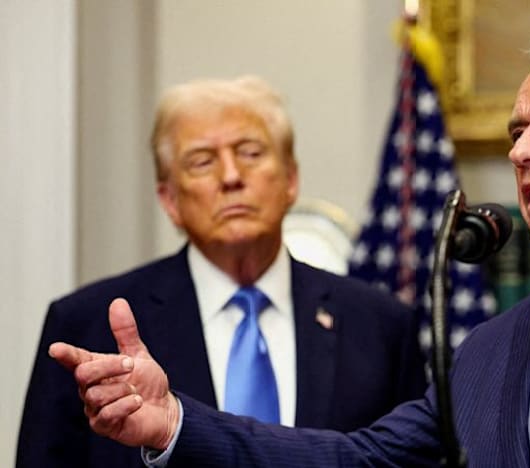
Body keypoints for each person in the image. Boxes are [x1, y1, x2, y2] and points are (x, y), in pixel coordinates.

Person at [50, 21, 530, 468]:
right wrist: (174, 423)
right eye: (517, 131)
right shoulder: (493, 349)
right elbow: (355, 462)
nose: (523, 151)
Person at [18, 76, 427, 468]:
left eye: (250, 153)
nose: (231, 177)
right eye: (202, 161)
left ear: (290, 179)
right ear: (169, 200)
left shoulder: (381, 326)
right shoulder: (86, 326)